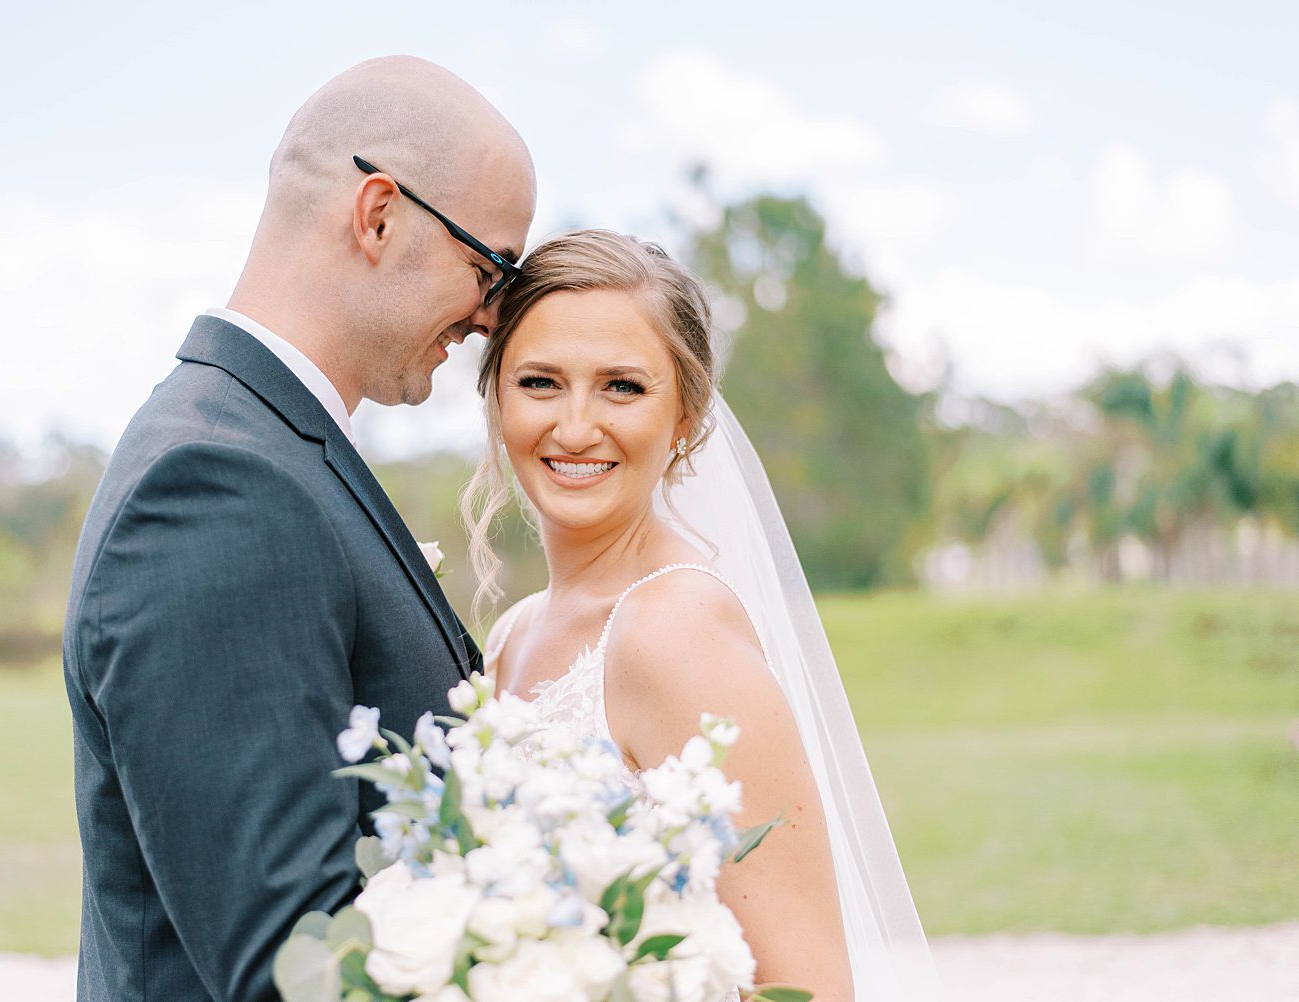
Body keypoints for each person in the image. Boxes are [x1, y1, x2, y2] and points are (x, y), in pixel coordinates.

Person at [62, 56, 535, 1002]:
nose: (491, 318)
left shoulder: (266, 444)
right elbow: (294, 969)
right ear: (378, 214)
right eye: (490, 268)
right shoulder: (218, 488)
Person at [468, 230, 939, 1001]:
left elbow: (810, 987)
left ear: (685, 416)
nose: (577, 426)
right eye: (540, 382)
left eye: (622, 386)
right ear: (495, 399)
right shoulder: (512, 633)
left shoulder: (672, 628)